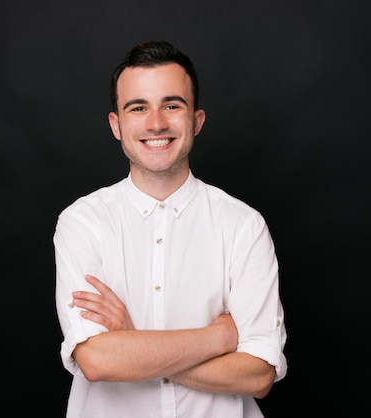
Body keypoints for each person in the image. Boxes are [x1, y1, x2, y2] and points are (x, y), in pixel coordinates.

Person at [53, 40, 287, 418]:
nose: (156, 123)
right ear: (116, 125)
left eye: (172, 105)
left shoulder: (243, 225)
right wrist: (220, 338)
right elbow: (97, 362)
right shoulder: (82, 223)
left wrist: (131, 344)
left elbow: (258, 374)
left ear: (196, 120)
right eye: (138, 107)